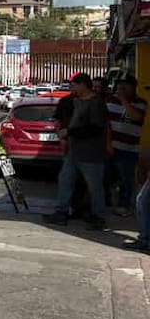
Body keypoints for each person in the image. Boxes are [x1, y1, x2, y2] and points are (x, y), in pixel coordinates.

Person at [44, 72, 110, 229]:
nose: (72, 88)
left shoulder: (96, 103)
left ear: (83, 85)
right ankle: (62, 212)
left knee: (94, 186)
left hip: (91, 153)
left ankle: (97, 216)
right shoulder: (77, 101)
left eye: (74, 85)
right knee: (65, 181)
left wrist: (70, 132)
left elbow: (95, 128)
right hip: (74, 151)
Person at [107, 76, 146, 214]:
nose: (123, 89)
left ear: (134, 88)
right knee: (108, 175)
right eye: (121, 86)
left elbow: (135, 116)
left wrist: (123, 100)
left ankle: (124, 205)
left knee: (126, 178)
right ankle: (109, 201)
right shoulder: (110, 101)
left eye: (126, 86)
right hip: (111, 145)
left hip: (129, 147)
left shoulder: (140, 103)